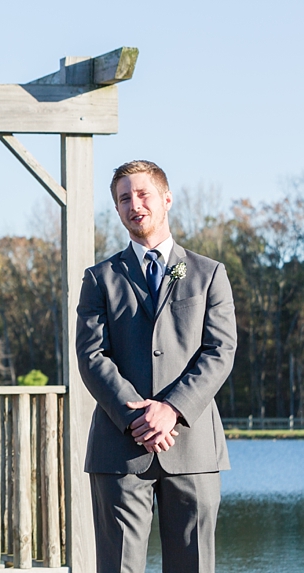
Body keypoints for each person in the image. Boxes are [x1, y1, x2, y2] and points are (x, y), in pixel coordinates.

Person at [76, 160, 236, 573]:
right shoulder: (100, 278)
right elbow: (92, 356)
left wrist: (171, 409)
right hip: (120, 450)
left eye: (142, 194)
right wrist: (138, 417)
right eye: (124, 198)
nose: (134, 205)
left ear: (166, 199)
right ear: (117, 209)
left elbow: (219, 351)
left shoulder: (208, 274)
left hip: (193, 447)